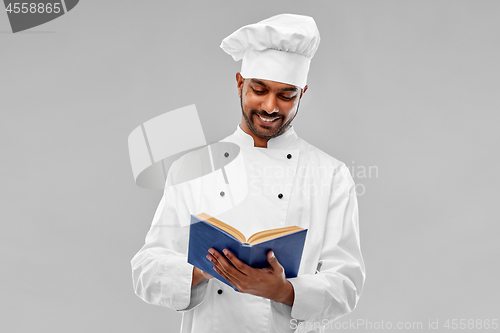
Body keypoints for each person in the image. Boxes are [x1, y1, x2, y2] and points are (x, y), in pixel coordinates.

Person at [131, 14, 365, 333]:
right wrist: (202, 270)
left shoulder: (330, 175)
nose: (270, 106)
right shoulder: (194, 168)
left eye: (286, 95)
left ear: (302, 94)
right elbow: (145, 270)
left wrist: (283, 291)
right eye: (259, 89)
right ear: (240, 84)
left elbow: (346, 283)